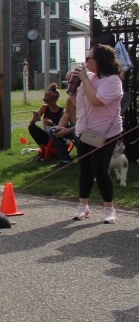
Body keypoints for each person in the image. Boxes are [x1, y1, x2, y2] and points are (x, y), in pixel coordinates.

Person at [69, 44, 123, 223]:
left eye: (88, 58)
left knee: (100, 169)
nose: (85, 62)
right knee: (85, 169)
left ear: (99, 60)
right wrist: (74, 86)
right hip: (85, 131)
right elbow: (79, 104)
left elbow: (96, 101)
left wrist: (84, 79)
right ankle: (83, 206)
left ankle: (109, 208)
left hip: (105, 132)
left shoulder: (112, 80)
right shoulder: (90, 78)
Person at [27, 84, 63, 161]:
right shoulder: (45, 107)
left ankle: (53, 151)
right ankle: (43, 150)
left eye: (49, 101)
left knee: (53, 131)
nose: (47, 103)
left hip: (57, 136)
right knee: (31, 127)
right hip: (47, 135)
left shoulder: (61, 111)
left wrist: (52, 124)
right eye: (45, 101)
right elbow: (31, 123)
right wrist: (35, 118)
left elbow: (63, 128)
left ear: (55, 100)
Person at [48, 94, 76, 167]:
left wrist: (67, 131)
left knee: (76, 133)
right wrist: (59, 128)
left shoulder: (86, 98)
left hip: (84, 129)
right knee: (53, 131)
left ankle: (84, 161)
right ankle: (66, 160)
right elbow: (66, 114)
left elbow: (83, 124)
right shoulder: (70, 99)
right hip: (74, 127)